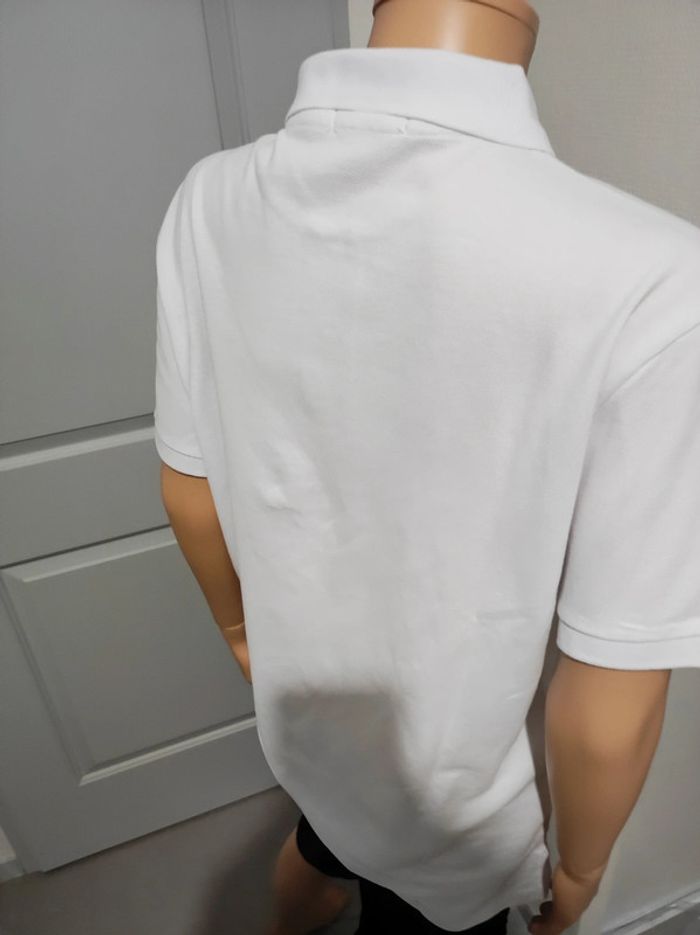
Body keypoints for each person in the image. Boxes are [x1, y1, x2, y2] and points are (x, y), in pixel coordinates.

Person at [156, 0, 700, 932]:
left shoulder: (209, 199)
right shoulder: (659, 276)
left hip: (313, 732)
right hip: (452, 808)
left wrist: (250, 641)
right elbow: (615, 678)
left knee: (320, 846)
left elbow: (189, 494)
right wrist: (579, 868)